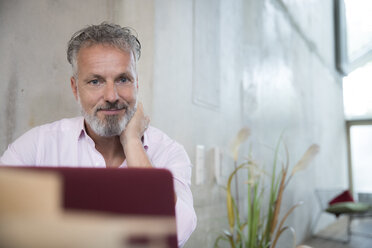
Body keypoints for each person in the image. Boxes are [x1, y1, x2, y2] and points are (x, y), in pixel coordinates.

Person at [0, 22, 197, 247]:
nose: (111, 95)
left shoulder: (168, 152)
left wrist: (133, 143)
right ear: (75, 88)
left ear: (137, 84)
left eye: (123, 79)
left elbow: (179, 232)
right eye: (95, 81)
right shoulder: (37, 146)